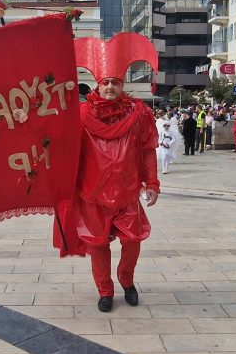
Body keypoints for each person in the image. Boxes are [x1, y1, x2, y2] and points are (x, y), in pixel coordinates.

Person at [54, 70, 159, 313]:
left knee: (133, 240)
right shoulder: (80, 115)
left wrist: (152, 183)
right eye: (105, 82)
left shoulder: (139, 113)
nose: (110, 87)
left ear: (122, 86)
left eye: (115, 82)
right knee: (98, 244)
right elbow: (63, 147)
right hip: (92, 193)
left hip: (128, 191)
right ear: (97, 87)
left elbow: (147, 149)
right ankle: (105, 290)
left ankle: (126, 278)